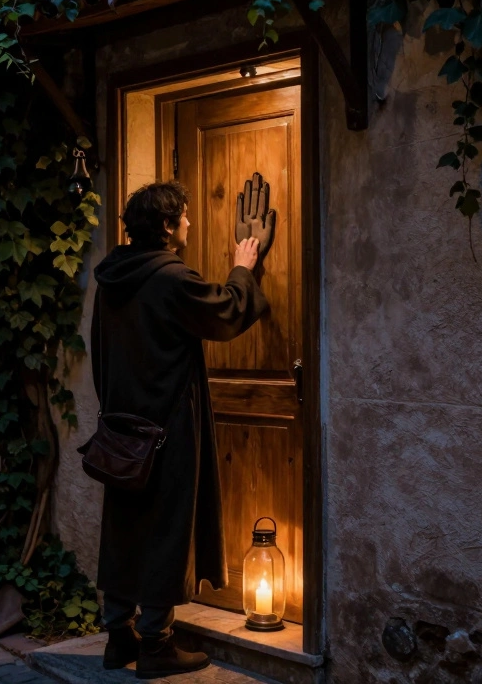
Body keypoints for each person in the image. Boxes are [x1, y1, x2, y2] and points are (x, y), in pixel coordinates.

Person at [90, 178, 273, 678]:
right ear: (169, 226)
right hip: (166, 431)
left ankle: (117, 637)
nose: (190, 222)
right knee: (166, 531)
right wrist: (243, 267)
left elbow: (98, 356)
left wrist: (116, 414)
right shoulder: (170, 278)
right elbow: (225, 311)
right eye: (186, 216)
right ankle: (155, 644)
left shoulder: (111, 278)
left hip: (123, 431)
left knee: (126, 529)